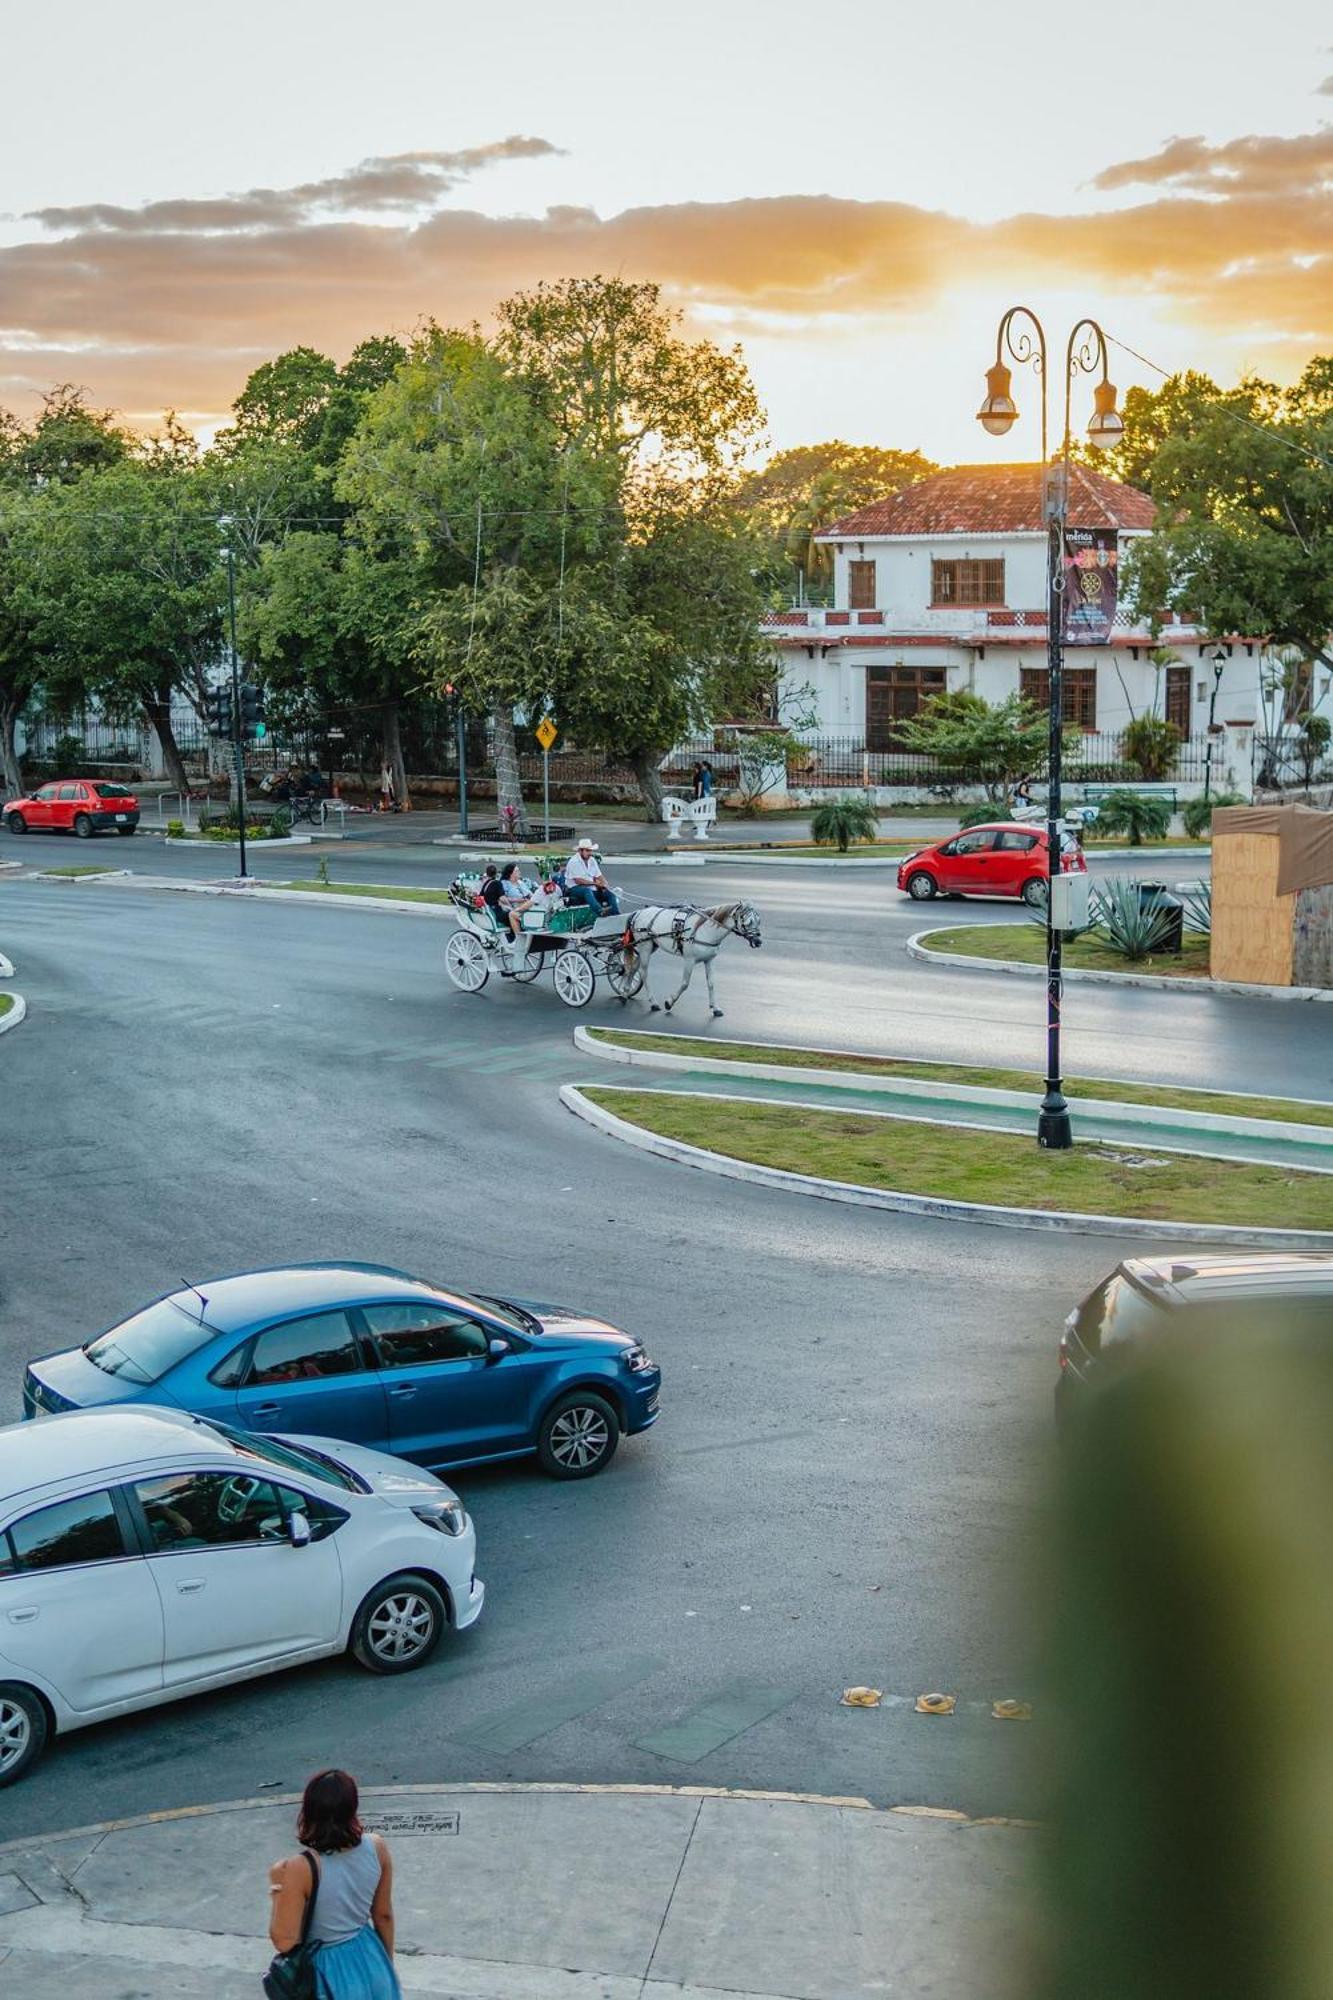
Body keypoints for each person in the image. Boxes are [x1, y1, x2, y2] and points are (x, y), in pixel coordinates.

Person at [269, 1768, 401, 1999]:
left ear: (308, 1811)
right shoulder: (377, 1846)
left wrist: (278, 1890)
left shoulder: (301, 1867)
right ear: (352, 1808)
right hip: (369, 1953)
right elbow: (383, 1915)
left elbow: (284, 1940)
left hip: (327, 1970)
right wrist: (385, 1963)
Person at [564, 837, 619, 915]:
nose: (590, 853)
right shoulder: (574, 862)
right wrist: (596, 884)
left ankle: (616, 914)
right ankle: (599, 911)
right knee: (586, 890)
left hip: (591, 889)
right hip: (574, 889)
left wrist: (605, 884)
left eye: (590, 850)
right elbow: (578, 881)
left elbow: (599, 875)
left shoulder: (592, 860)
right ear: (580, 851)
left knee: (610, 894)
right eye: (587, 851)